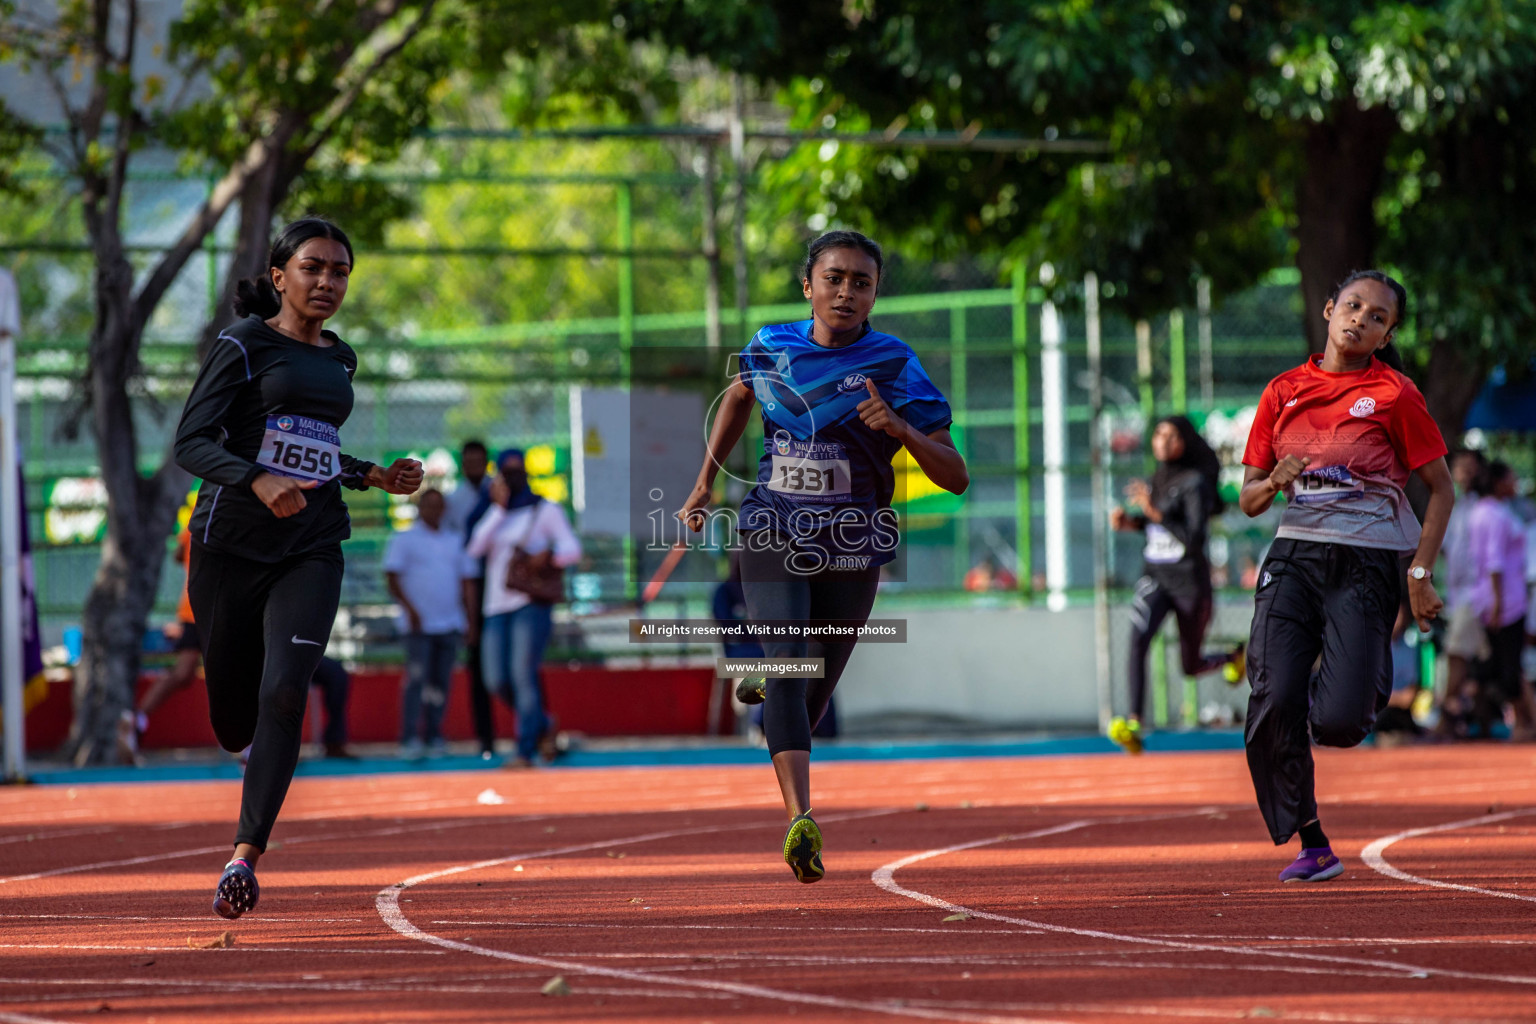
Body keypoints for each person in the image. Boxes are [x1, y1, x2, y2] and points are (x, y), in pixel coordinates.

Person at [677, 230, 968, 884]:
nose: (845, 292)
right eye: (833, 278)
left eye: (860, 282)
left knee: (808, 685)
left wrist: (900, 429)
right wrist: (703, 483)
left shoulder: (896, 365)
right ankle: (800, 818)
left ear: (874, 294)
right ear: (808, 285)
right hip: (772, 527)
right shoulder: (770, 345)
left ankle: (774, 698)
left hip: (853, 542)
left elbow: (955, 475)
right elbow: (739, 395)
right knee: (788, 661)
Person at [174, 218, 423, 919]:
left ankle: (243, 858)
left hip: (312, 544)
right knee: (232, 717)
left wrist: (372, 474)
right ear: (280, 275)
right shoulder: (243, 344)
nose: (327, 282)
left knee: (286, 692)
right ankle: (241, 739)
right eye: (313, 267)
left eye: (340, 271)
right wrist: (254, 480)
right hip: (229, 544)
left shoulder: (340, 360)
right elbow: (192, 442)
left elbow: (315, 450)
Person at [1239, 270, 1452, 883]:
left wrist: (1419, 571)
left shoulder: (1395, 394)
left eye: (1378, 316)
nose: (1361, 318)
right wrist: (1275, 480)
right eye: (1352, 306)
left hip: (1366, 562)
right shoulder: (1282, 391)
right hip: (1292, 559)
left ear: (1386, 336)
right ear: (1330, 310)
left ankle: (1346, 685)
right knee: (1274, 698)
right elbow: (1249, 499)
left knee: (1339, 722)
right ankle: (1312, 841)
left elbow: (1441, 489)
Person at [1108, 416, 1243, 754]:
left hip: (1189, 582)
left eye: (1171, 435)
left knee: (1190, 665)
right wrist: (1132, 522)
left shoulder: (1195, 483)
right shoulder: (1157, 478)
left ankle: (1233, 657)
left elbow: (1192, 538)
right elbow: (1157, 525)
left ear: (1184, 441)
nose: (1162, 441)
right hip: (1155, 577)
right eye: (1157, 434)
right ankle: (1135, 721)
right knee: (1137, 639)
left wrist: (1153, 513)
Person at [465, 447, 581, 768]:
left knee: (522, 675)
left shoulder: (545, 509)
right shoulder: (490, 511)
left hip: (530, 604)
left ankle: (524, 751)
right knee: (496, 680)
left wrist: (549, 556)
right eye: (508, 470)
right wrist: (498, 508)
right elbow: (474, 548)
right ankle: (542, 724)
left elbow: (572, 548)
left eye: (520, 469)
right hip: (494, 608)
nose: (515, 475)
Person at [384, 487, 472, 757]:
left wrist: (469, 620)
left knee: (441, 683)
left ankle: (435, 736)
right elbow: (392, 577)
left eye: (439, 505)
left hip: (449, 623)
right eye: (429, 505)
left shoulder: (455, 540)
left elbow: (467, 582)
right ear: (420, 508)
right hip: (418, 626)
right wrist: (411, 610)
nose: (434, 510)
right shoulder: (404, 538)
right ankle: (409, 738)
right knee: (417, 680)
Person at [117, 525, 202, 764]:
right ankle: (251, 745)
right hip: (210, 607)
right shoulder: (229, 499)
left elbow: (177, 554)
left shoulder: (200, 505)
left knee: (184, 673)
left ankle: (137, 719)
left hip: (193, 606)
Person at [1464, 461, 1532, 736]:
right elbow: (1494, 562)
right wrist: (1498, 603)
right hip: (1506, 601)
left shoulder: (1480, 512)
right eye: (1512, 477)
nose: (1516, 483)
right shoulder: (1496, 515)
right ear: (1498, 482)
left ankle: (1499, 722)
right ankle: (1520, 724)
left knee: (1495, 663)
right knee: (1508, 664)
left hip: (1493, 598)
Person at [446, 440, 498, 757]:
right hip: (472, 588)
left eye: (479, 460)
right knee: (477, 666)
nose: (474, 466)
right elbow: (455, 549)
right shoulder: (454, 500)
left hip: (505, 586)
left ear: (486, 462)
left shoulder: (501, 493)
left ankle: (531, 735)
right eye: (469, 461)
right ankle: (486, 740)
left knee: (512, 667)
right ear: (462, 464)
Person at [1435, 449, 1489, 734]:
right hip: (1456, 595)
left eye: (1470, 467)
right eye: (1459, 466)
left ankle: (1446, 715)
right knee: (1476, 658)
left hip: (1478, 594)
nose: (1465, 473)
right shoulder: (1451, 504)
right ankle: (1478, 720)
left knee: (1457, 653)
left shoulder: (1485, 505)